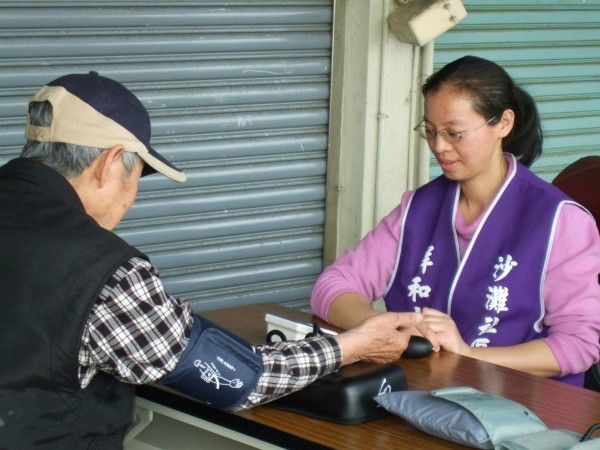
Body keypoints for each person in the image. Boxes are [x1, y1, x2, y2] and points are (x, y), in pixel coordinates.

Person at [0, 72, 424, 449]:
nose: (130, 200)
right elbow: (239, 378)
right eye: (136, 177)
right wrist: (348, 346)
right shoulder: (101, 272)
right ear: (111, 161)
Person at [311, 55, 600, 387]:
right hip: (420, 398)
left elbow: (579, 346)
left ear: (504, 123)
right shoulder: (419, 206)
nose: (439, 147)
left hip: (521, 413)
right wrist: (386, 330)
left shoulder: (560, 220)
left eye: (455, 133)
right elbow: (332, 287)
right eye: (431, 131)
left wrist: (465, 354)